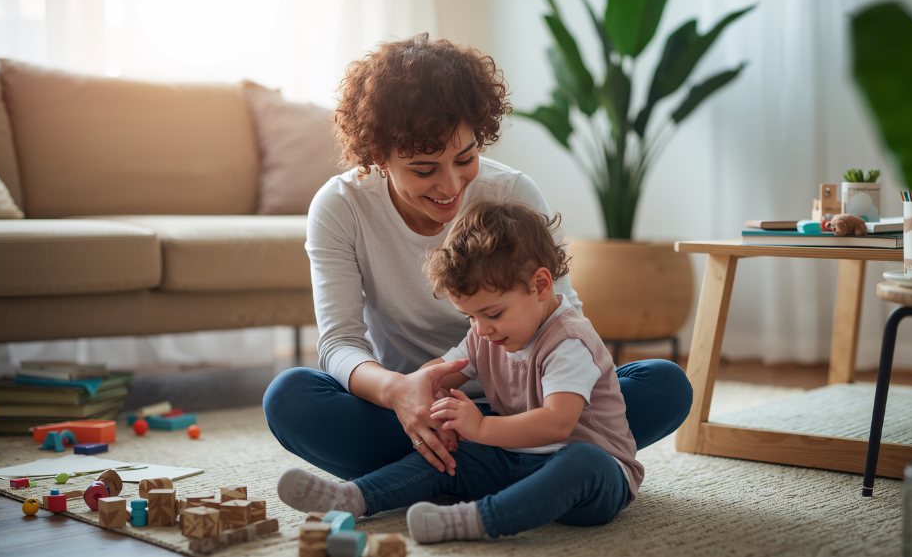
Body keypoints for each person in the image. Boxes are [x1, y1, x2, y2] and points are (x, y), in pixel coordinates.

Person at [262, 33, 692, 482]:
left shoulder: (512, 193)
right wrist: (399, 392)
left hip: (529, 405)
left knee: (664, 384)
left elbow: (564, 318)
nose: (450, 187)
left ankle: (448, 469)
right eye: (425, 169)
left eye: (465, 158)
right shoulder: (340, 206)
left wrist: (507, 419)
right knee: (290, 398)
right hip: (409, 408)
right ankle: (526, 471)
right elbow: (339, 344)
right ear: (378, 157)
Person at [277, 201, 644, 543]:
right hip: (520, 458)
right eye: (470, 316)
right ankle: (356, 497)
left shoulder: (568, 340)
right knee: (453, 453)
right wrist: (421, 385)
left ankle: (478, 520)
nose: (481, 329)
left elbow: (557, 424)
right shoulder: (485, 334)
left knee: (581, 459)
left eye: (493, 313)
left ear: (541, 285)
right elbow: (445, 370)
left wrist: (481, 427)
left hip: (597, 477)